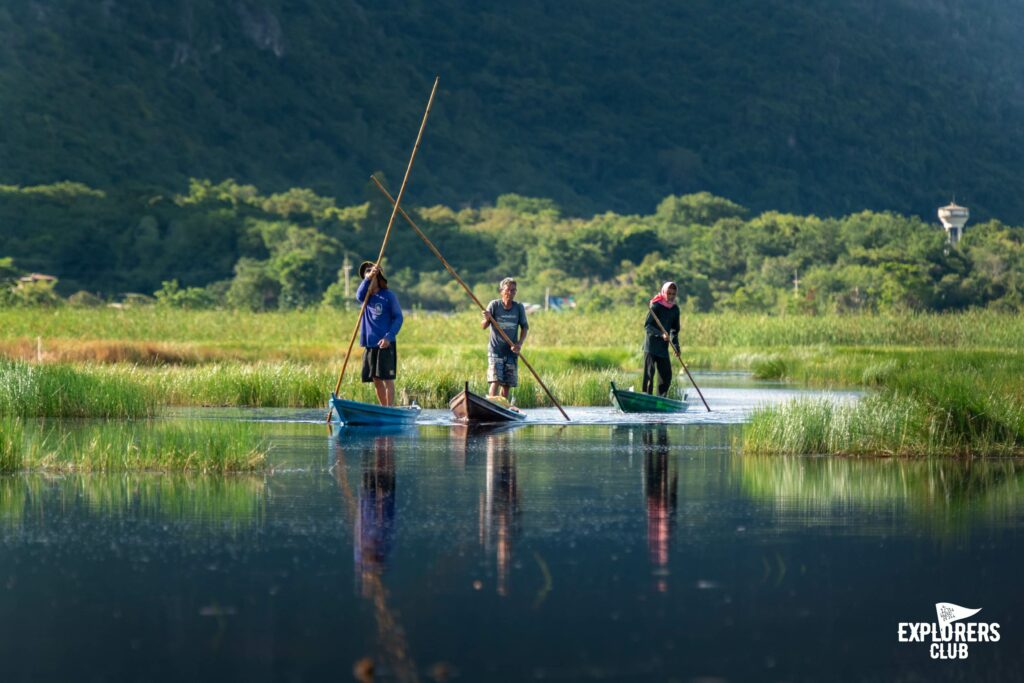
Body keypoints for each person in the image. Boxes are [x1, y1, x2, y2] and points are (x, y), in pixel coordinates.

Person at [355, 261, 403, 406]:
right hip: (370, 343)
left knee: (386, 378)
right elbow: (358, 295)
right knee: (375, 379)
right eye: (366, 273)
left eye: (372, 272)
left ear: (379, 277)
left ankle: (388, 408)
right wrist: (368, 278)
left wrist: (389, 337)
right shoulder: (366, 297)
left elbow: (398, 317)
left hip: (385, 343)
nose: (369, 274)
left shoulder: (388, 296)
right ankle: (383, 408)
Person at [481, 277, 529, 400]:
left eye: (513, 290)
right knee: (495, 380)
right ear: (502, 291)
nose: (510, 293)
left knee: (507, 384)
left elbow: (524, 327)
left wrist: (519, 344)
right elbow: (483, 326)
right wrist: (487, 318)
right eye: (508, 290)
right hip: (496, 351)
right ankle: (491, 403)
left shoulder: (518, 307)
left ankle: (502, 407)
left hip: (511, 352)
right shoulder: (494, 305)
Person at [643, 281, 680, 396]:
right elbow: (648, 326)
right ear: (664, 292)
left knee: (666, 375)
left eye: (673, 294)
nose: (671, 296)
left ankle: (661, 399)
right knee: (649, 374)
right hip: (651, 346)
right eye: (669, 293)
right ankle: (646, 397)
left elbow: (674, 330)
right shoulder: (656, 305)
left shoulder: (675, 309)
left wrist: (676, 347)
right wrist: (661, 334)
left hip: (663, 348)